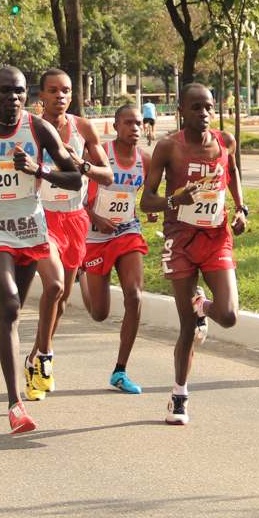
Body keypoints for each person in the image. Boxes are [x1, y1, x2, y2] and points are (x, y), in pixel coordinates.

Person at [0, 65, 83, 434]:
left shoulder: (39, 128)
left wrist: (39, 169)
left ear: (28, 95)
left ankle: (2, 288)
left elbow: (73, 177)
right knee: (10, 305)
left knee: (20, 300)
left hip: (29, 226)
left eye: (20, 91)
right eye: (6, 91)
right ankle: (14, 403)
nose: (14, 98)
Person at [139, 82, 248, 426]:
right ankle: (179, 396)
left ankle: (204, 305)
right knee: (186, 326)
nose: (204, 114)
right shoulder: (168, 148)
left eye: (209, 107)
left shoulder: (224, 142)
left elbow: (232, 174)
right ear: (181, 111)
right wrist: (175, 201)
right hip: (181, 238)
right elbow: (147, 201)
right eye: (196, 107)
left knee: (228, 314)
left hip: (216, 236)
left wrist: (242, 208)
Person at [25, 69, 111, 401]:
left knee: (60, 302)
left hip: (75, 219)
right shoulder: (30, 128)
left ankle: (35, 358)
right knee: (55, 284)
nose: (60, 96)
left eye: (66, 91)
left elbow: (107, 175)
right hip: (41, 217)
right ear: (41, 97)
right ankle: (45, 356)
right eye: (53, 91)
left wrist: (84, 166)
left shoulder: (83, 128)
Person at [79, 103, 150, 394]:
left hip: (127, 231)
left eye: (138, 124)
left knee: (134, 295)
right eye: (128, 123)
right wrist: (96, 217)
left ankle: (120, 371)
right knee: (99, 313)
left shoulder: (145, 159)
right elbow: (77, 195)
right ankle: (81, 272)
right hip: (95, 236)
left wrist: (152, 209)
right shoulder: (100, 155)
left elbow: (142, 194)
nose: (135, 128)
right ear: (116, 126)